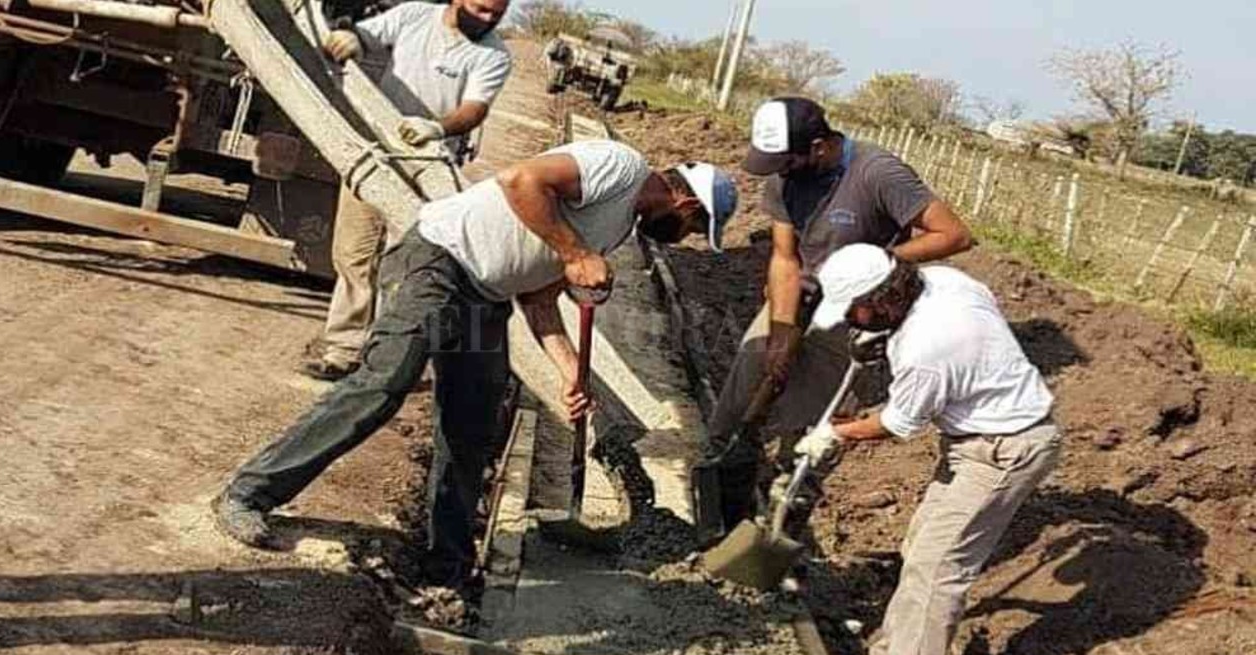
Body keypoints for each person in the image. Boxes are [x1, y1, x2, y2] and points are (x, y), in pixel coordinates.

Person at [215, 139, 739, 588]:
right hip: (440, 261)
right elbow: (522, 180)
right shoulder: (620, 165)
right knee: (383, 386)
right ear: (685, 199)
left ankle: (448, 566)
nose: (683, 236)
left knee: (472, 426)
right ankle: (248, 493)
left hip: (485, 297)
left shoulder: (619, 228)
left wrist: (569, 370)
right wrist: (576, 252)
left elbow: (537, 301)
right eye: (692, 226)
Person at [706, 96, 974, 530]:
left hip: (854, 312)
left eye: (786, 160)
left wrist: (875, 267)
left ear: (818, 147)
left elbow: (955, 235)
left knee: (808, 435)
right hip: (801, 294)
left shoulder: (877, 172)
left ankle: (779, 527)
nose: (780, 171)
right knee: (734, 410)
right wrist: (781, 330)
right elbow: (784, 257)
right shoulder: (784, 178)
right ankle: (718, 513)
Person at [794, 244, 1061, 655]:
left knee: (937, 566)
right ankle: (898, 643)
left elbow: (899, 423)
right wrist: (884, 333)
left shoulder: (925, 349)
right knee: (919, 546)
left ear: (881, 300)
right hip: (977, 438)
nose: (849, 320)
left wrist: (832, 434)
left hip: (1005, 450)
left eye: (853, 311)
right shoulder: (944, 280)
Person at [304, 0, 513, 380]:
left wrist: (438, 128)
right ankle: (344, 348)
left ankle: (386, 360)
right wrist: (350, 36)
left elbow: (475, 109)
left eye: (496, 14)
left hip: (427, 166)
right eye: (482, 10)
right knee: (353, 252)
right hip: (376, 150)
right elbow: (368, 36)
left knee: (404, 262)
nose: (488, 20)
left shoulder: (493, 55)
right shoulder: (416, 15)